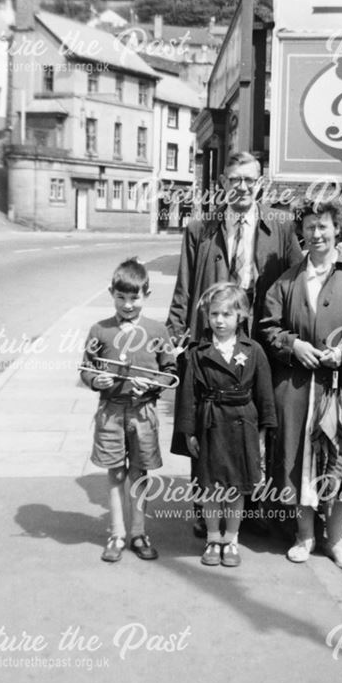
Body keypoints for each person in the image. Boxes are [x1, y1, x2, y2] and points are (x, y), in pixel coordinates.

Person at [167, 150, 302, 536]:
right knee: (205, 423)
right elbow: (183, 287)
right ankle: (202, 508)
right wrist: (174, 337)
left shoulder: (280, 225)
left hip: (258, 342)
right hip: (211, 338)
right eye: (234, 179)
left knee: (252, 423)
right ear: (222, 183)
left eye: (249, 179)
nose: (241, 187)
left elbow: (295, 280)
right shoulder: (201, 227)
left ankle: (248, 508)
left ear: (260, 183)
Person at [260, 196, 342, 571]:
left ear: (337, 229)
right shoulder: (287, 280)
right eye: (310, 227)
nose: (316, 234)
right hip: (299, 388)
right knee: (301, 461)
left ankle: (336, 539)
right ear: (301, 232)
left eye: (323, 226)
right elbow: (269, 328)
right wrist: (294, 345)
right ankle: (305, 535)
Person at [81, 257, 177, 563]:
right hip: (111, 410)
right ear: (111, 293)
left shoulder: (157, 330)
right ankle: (117, 533)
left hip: (143, 412)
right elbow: (85, 369)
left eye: (134, 298)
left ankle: (139, 532)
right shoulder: (100, 329)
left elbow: (170, 370)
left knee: (139, 471)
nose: (127, 305)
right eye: (121, 297)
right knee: (116, 471)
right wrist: (97, 379)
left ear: (146, 296)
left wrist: (152, 386)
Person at [175, 282, 277, 568]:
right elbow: (188, 396)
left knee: (236, 489)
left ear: (241, 315)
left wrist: (262, 434)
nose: (219, 320)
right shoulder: (197, 352)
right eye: (214, 314)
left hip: (243, 426)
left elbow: (265, 395)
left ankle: (231, 539)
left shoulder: (253, 350)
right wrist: (189, 432)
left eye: (226, 315)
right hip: (210, 425)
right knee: (210, 488)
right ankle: (212, 537)